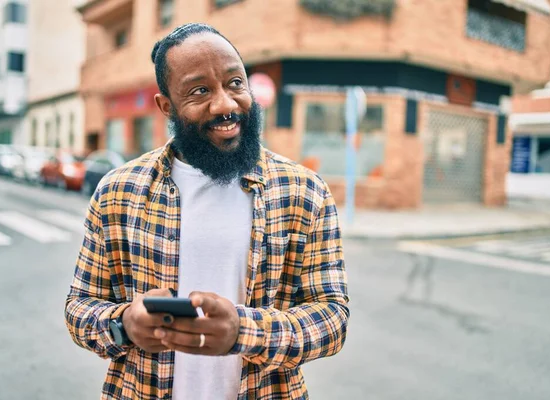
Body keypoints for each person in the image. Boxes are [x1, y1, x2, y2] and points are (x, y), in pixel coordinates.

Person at [65, 23, 349, 400]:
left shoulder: (304, 191)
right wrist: (123, 326)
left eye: (235, 83)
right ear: (167, 106)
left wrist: (243, 332)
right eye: (200, 91)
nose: (226, 104)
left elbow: (332, 318)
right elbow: (80, 307)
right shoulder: (119, 191)